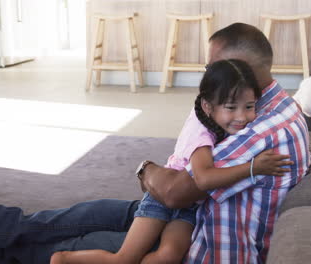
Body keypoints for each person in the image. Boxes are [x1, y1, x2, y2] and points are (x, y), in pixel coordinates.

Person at [0, 22, 311, 264]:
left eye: (211, 67)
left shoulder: (253, 126)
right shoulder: (274, 103)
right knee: (97, 209)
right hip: (198, 210)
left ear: (237, 69)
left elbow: (177, 192)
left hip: (202, 235)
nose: (206, 76)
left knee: (99, 241)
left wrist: (145, 169)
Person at [49, 59, 293, 264]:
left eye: (249, 106)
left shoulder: (231, 125)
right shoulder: (200, 133)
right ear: (208, 106)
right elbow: (204, 178)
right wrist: (253, 168)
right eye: (231, 107)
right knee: (124, 259)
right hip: (162, 199)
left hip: (190, 206)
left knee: (168, 257)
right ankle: (64, 258)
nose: (242, 117)